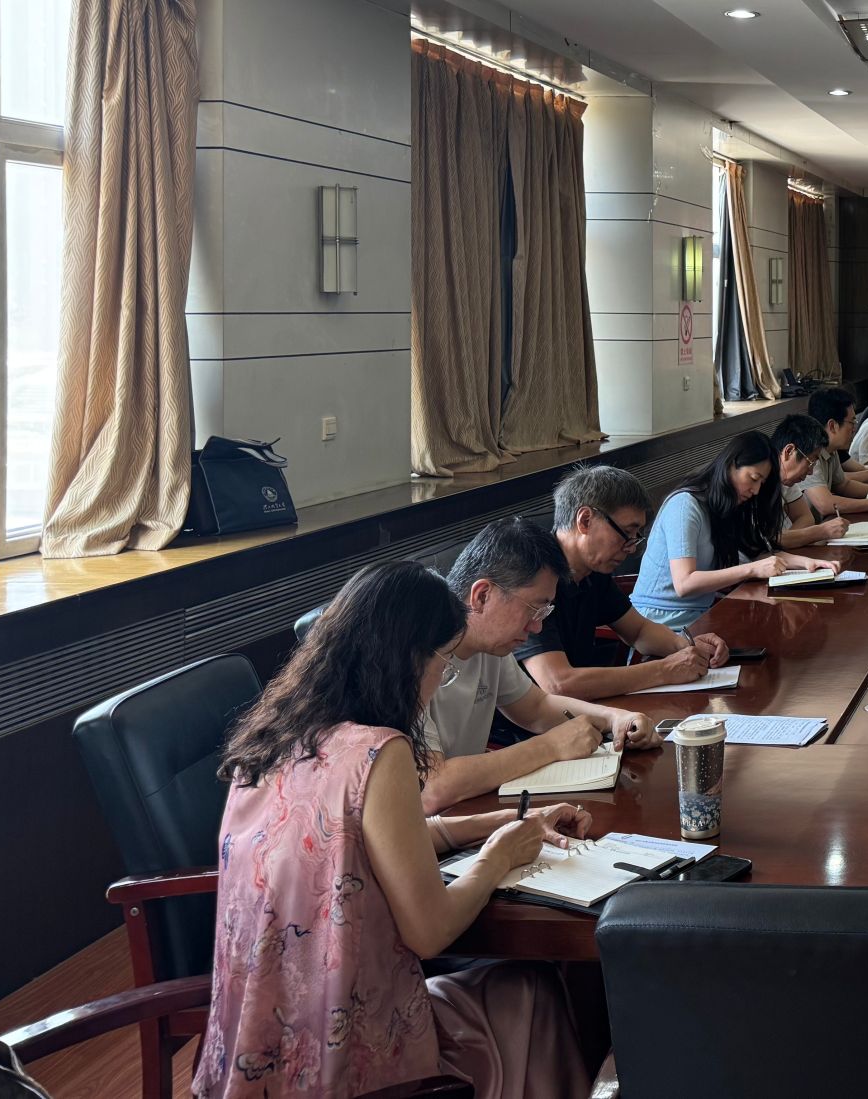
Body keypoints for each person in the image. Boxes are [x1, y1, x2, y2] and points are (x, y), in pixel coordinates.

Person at [196, 562, 592, 1098]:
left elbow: (347, 847)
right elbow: (430, 932)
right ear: (408, 658)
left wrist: (503, 824)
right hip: (344, 1059)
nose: (439, 680)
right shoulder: (379, 751)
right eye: (443, 662)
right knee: (530, 988)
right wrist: (497, 855)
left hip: (256, 1053)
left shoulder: (271, 737)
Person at [421, 519, 654, 812]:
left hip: (465, 813)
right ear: (482, 596)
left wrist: (614, 718)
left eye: (545, 612)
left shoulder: (490, 647)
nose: (537, 626)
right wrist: (550, 746)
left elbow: (535, 707)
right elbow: (434, 786)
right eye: (534, 608)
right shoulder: (415, 656)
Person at [516, 465, 732, 700]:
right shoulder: (530, 575)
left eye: (635, 537)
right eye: (626, 533)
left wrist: (687, 646)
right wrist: (665, 670)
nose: (631, 548)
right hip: (537, 719)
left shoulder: (592, 571)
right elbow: (558, 683)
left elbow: (638, 631)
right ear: (585, 520)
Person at [630, 432, 836, 629]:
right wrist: (752, 569)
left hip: (701, 616)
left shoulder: (729, 505)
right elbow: (684, 583)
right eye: (753, 478)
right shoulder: (685, 505)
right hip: (661, 621)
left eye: (761, 483)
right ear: (731, 464)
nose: (756, 490)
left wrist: (807, 563)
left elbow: (757, 554)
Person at [795, 387, 868, 518]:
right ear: (832, 426)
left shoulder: (831, 451)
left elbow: (844, 485)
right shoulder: (809, 453)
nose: (854, 429)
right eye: (852, 422)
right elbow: (825, 504)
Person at [768, 414, 853, 547]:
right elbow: (769, 539)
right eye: (810, 462)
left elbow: (806, 517)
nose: (811, 472)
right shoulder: (758, 482)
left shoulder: (787, 479)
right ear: (789, 451)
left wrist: (789, 540)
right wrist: (822, 531)